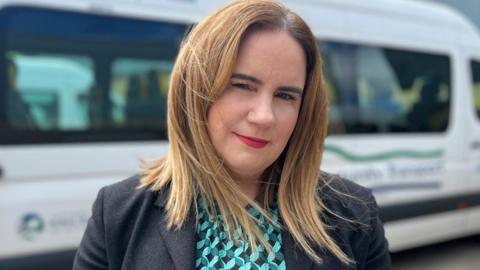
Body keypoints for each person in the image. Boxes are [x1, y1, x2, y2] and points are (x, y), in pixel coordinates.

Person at [73, 1, 391, 269]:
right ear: (195, 91)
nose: (264, 116)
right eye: (241, 85)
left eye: (286, 96)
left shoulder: (354, 216)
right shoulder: (117, 214)